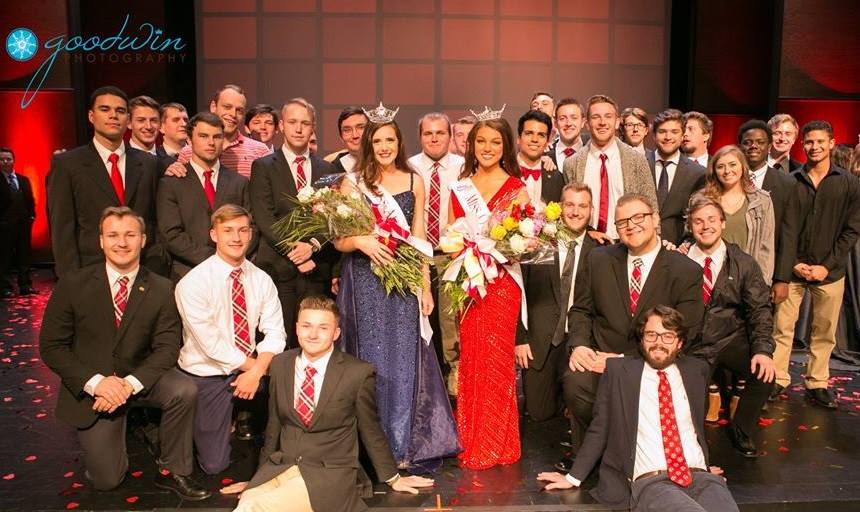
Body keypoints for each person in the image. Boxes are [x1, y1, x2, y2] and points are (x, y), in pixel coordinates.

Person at [39, 206, 208, 500]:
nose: (122, 243)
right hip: (95, 390)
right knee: (107, 481)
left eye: (130, 234)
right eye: (113, 235)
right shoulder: (73, 284)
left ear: (143, 240)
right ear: (101, 241)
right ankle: (131, 431)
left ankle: (173, 469)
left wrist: (128, 384)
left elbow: (167, 348)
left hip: (138, 380)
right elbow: (52, 346)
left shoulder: (162, 287)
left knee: (184, 389)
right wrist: (97, 383)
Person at [219, 296, 435, 511]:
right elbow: (274, 426)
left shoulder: (357, 372)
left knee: (257, 508)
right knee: (248, 500)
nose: (312, 334)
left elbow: (371, 429)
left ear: (336, 333)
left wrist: (393, 478)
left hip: (329, 475)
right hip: (283, 467)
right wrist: (259, 478)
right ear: (296, 328)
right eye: (306, 326)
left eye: (323, 328)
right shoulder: (280, 364)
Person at [334, 112, 459, 468]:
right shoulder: (353, 182)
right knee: (369, 359)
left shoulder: (413, 179)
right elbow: (339, 240)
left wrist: (425, 288)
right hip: (365, 280)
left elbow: (418, 240)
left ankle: (402, 446)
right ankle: (374, 447)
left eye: (390, 140)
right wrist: (362, 241)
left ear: (399, 143)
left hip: (402, 282)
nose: (385, 147)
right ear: (368, 145)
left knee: (403, 360)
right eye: (378, 141)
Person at [538, 306, 739, 512]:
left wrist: (701, 464)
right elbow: (600, 428)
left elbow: (694, 424)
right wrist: (573, 477)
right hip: (654, 481)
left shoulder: (697, 370)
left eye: (667, 336)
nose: (658, 343)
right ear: (642, 340)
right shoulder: (620, 372)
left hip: (701, 476)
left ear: (680, 343)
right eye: (651, 335)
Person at [561, 193, 703, 467]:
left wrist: (623, 363)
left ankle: (631, 455)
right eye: (623, 221)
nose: (631, 225)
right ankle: (590, 456)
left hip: (653, 364)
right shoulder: (599, 259)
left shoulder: (685, 270)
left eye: (639, 217)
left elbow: (688, 331)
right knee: (575, 381)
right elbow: (580, 310)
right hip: (600, 356)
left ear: (655, 219)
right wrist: (579, 345)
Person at [175, 204, 287, 474]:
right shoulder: (194, 282)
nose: (236, 238)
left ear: (251, 235)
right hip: (208, 373)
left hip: (250, 367)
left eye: (242, 230)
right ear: (214, 235)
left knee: (290, 374)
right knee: (215, 466)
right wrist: (257, 368)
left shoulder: (261, 279)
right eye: (228, 231)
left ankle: (261, 427)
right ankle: (192, 425)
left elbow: (275, 331)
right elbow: (212, 346)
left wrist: (257, 370)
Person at [448, 114, 531, 469]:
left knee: (496, 362)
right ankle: (473, 438)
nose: (487, 148)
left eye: (495, 142)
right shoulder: (461, 185)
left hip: (501, 284)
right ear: (472, 144)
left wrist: (498, 250)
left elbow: (525, 241)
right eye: (481, 141)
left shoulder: (517, 186)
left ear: (505, 147)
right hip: (469, 281)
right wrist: (465, 253)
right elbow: (451, 236)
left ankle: (499, 441)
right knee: (471, 359)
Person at [772, 121, 860, 409]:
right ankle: (778, 379)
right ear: (803, 144)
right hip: (793, 270)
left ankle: (817, 383)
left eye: (820, 141)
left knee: (824, 332)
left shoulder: (849, 183)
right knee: (782, 329)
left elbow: (851, 230)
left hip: (830, 272)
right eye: (809, 142)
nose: (814, 147)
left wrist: (826, 266)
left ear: (832, 143)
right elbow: (784, 228)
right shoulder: (791, 181)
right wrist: (794, 263)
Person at [684, 193, 776, 456]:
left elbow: (759, 309)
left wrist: (762, 350)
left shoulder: (744, 263)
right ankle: (689, 445)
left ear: (723, 222)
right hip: (692, 344)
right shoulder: (678, 260)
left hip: (729, 339)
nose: (705, 226)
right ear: (691, 226)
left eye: (712, 219)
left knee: (763, 373)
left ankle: (742, 430)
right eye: (698, 221)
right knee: (688, 399)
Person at [47, 85, 167, 278]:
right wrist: (69, 280)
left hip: (144, 269)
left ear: (128, 119)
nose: (113, 115)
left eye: (120, 111)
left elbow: (157, 219)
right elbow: (62, 228)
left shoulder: (150, 164)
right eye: (105, 109)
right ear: (91, 116)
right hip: (90, 272)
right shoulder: (67, 164)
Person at [250, 98, 337, 348]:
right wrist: (296, 252)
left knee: (315, 341)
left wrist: (312, 246)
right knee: (280, 340)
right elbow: (265, 218)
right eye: (292, 122)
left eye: (305, 123)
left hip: (316, 268)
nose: (298, 129)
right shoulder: (263, 167)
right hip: (278, 269)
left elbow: (332, 217)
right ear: (281, 126)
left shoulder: (326, 168)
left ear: (313, 128)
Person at [518, 183, 597, 422]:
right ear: (560, 207)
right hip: (542, 340)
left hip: (579, 341)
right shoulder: (541, 244)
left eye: (582, 206)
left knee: (578, 405)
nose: (575, 212)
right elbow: (519, 290)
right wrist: (520, 339)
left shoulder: (601, 251)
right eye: (570, 205)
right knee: (540, 413)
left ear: (591, 210)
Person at [407, 112, 466, 396]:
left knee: (449, 320)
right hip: (415, 254)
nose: (433, 138)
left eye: (440, 133)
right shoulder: (408, 168)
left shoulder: (464, 167)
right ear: (419, 136)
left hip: (450, 253)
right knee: (420, 319)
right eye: (428, 133)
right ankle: (424, 382)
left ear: (450, 135)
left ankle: (454, 376)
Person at [157, 112, 250, 280]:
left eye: (217, 137)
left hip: (235, 272)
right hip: (188, 272)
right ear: (189, 140)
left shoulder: (240, 182)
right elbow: (171, 234)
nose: (211, 142)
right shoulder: (171, 183)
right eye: (203, 136)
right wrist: (216, 259)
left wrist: (232, 257)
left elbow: (253, 227)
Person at [563, 94, 658, 242]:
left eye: (608, 116)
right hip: (587, 243)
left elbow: (652, 208)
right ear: (587, 123)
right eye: (595, 117)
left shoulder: (637, 160)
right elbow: (567, 210)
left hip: (627, 244)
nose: (602, 122)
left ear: (617, 122)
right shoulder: (572, 163)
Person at [737, 120, 799, 300]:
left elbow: (789, 234)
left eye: (760, 142)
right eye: (747, 142)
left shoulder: (786, 184)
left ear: (769, 146)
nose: (753, 146)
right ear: (740, 146)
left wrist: (782, 279)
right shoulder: (729, 178)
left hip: (765, 269)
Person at [702, 145, 775, 283]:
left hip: (747, 276)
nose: (727, 171)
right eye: (720, 166)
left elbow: (766, 247)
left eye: (732, 164)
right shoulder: (703, 200)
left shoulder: (762, 201)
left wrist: (763, 283)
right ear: (714, 171)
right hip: (711, 274)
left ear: (742, 167)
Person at [173, 84, 271, 178]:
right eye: (227, 107)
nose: (233, 114)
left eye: (239, 110)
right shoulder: (189, 151)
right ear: (213, 107)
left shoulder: (260, 151)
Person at [645, 109, 706, 245]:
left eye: (674, 132)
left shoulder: (698, 173)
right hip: (640, 245)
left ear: (682, 135)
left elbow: (698, 216)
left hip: (679, 249)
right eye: (662, 132)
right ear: (653, 135)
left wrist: (686, 245)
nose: (668, 137)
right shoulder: (640, 164)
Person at [0, 147, 36, 297]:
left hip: (23, 224)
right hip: (4, 226)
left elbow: (30, 200)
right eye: (2, 159)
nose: (5, 162)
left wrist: (32, 216)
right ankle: (5, 287)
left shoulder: (23, 179)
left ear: (13, 161)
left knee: (24, 256)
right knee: (4, 257)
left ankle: (25, 285)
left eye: (8, 159)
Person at [517, 109, 564, 208]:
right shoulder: (505, 172)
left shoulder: (557, 177)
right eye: (529, 133)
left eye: (541, 135)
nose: (534, 139)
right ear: (518, 138)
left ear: (547, 142)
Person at [325, 106, 368, 174]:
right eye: (347, 130)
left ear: (371, 131)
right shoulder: (330, 170)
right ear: (341, 137)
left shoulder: (385, 162)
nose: (355, 135)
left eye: (361, 127)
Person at [549, 98, 588, 171]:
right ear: (555, 123)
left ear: (583, 122)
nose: (568, 123)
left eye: (574, 118)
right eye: (562, 118)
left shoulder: (592, 151)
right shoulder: (546, 154)